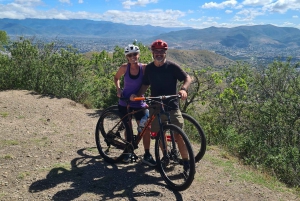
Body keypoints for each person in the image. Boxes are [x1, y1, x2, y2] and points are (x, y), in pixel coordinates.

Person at [130, 39, 192, 171]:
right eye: (156, 51)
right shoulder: (150, 69)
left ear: (165, 53)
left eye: (162, 51)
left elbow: (187, 78)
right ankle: (165, 155)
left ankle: (187, 163)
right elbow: (145, 84)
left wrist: (183, 89)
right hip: (155, 106)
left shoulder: (172, 66)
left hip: (172, 106)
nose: (159, 53)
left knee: (178, 135)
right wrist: (138, 95)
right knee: (159, 134)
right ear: (152, 53)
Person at [114, 44, 156, 166]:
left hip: (139, 102)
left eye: (135, 54)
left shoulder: (144, 68)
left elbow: (148, 82)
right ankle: (128, 151)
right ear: (127, 57)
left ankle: (147, 154)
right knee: (128, 127)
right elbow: (116, 78)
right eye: (130, 55)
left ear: (139, 55)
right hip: (125, 101)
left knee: (145, 128)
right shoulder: (124, 68)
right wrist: (118, 89)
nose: (133, 57)